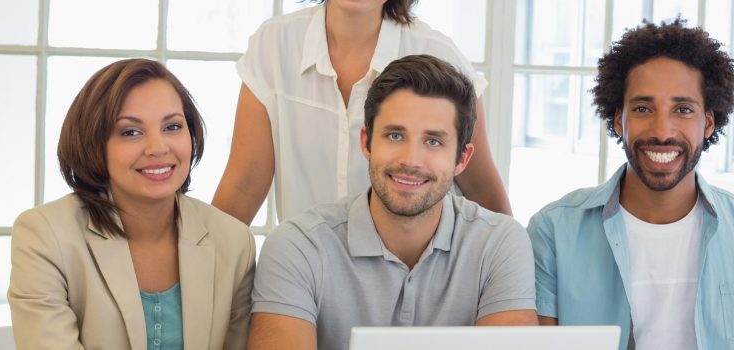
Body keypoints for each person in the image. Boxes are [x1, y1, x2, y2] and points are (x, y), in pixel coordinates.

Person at [528, 20, 734, 350]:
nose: (663, 130)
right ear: (619, 119)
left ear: (708, 122)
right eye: (643, 108)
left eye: (683, 109)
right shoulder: (553, 231)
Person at [247, 55, 537, 350]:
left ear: (462, 158)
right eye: (395, 135)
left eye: (433, 141)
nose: (410, 160)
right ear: (366, 142)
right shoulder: (297, 246)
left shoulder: (500, 243)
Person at [8, 59, 255, 349]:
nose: (158, 148)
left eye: (173, 126)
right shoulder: (45, 235)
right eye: (131, 132)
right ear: (94, 144)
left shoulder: (235, 242)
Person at [212, 0, 511, 226]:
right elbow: (243, 187)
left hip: (418, 277)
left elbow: (485, 193)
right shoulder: (273, 46)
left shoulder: (441, 57)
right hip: (303, 277)